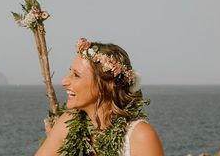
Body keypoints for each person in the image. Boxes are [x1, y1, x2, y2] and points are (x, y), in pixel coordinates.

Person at [35, 38, 164, 156]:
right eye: (70, 72)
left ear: (107, 85)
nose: (64, 81)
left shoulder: (139, 136)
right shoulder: (67, 123)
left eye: (76, 75)